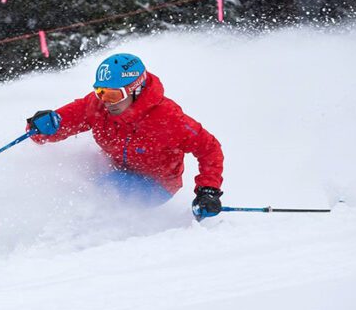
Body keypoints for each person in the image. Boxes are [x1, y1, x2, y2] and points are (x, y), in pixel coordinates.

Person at [26, 53, 224, 219]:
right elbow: (61, 123)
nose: (106, 101)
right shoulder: (97, 106)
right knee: (69, 178)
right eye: (100, 92)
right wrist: (41, 127)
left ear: (136, 90)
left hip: (156, 184)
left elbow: (209, 148)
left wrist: (208, 190)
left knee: (102, 193)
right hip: (116, 169)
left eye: (113, 95)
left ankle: (85, 236)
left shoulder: (168, 118)